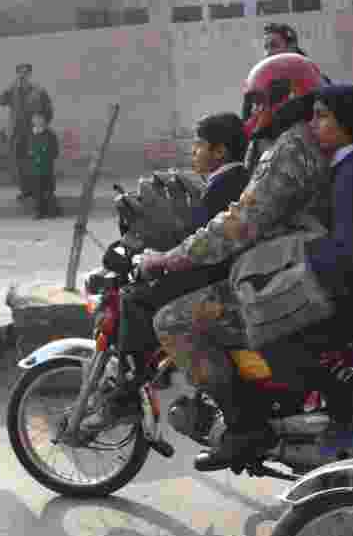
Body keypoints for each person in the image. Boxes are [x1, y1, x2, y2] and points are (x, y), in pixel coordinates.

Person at [136, 54, 339, 470]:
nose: (252, 113)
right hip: (294, 267)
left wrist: (170, 259)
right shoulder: (302, 142)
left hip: (286, 278)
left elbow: (239, 223)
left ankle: (244, 426)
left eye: (257, 102)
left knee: (172, 321)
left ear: (281, 98)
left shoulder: (290, 148)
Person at [89, 112, 251, 426]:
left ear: (220, 151)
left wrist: (161, 264)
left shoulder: (225, 186)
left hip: (218, 279)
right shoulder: (229, 181)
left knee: (137, 301)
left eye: (199, 145)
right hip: (217, 272)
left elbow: (205, 246)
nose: (193, 151)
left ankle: (129, 393)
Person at [0, 63, 53, 200]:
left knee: (36, 161)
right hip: (18, 132)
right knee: (20, 162)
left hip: (34, 131)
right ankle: (25, 190)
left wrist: (43, 125)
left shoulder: (39, 90)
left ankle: (39, 190)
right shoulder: (12, 90)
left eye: (26, 73)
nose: (23, 76)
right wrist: (10, 87)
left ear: (30, 74)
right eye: (20, 73)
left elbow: (48, 109)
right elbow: (1, 100)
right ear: (17, 75)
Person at [29, 111, 59, 219]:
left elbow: (55, 151)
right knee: (37, 191)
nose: (37, 121)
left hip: (46, 167)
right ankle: (38, 212)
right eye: (35, 118)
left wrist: (45, 156)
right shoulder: (31, 135)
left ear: (45, 120)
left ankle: (51, 211)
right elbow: (28, 150)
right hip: (35, 168)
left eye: (40, 118)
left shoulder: (50, 135)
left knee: (48, 190)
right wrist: (32, 155)